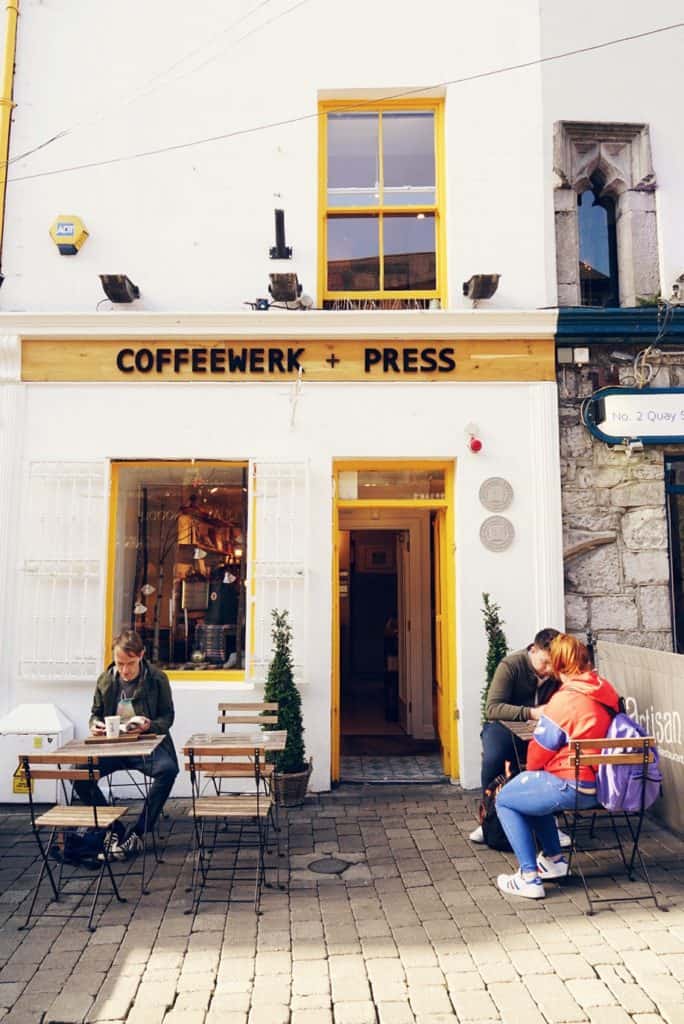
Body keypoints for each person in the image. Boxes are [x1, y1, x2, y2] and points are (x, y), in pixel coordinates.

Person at [495, 633, 620, 899]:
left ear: (560, 666)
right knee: (534, 792)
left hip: (572, 785)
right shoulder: (605, 689)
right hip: (603, 783)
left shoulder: (564, 701)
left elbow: (536, 758)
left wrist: (542, 762)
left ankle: (529, 877)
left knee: (506, 799)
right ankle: (554, 861)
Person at [73, 629, 179, 860]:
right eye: (120, 663)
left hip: (146, 746)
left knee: (168, 770)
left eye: (130, 663)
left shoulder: (157, 679)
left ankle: (139, 831)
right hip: (113, 748)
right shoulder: (105, 679)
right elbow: (95, 714)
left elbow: (167, 717)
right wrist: (95, 725)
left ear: (141, 655)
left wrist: (150, 725)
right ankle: (112, 828)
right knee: (79, 774)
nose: (124, 670)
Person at [470, 627, 562, 844]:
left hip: (543, 729)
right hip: (504, 727)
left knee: (557, 758)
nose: (549, 670)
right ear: (534, 650)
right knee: (494, 757)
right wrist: (531, 712)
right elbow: (492, 708)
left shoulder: (558, 671)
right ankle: (489, 821)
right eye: (545, 662)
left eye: (554, 663)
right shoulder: (511, 665)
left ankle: (551, 823)